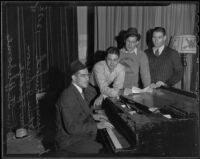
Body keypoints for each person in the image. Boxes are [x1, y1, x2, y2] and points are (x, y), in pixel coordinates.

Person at [55, 60, 113, 154]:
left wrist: (94, 117)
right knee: (105, 151)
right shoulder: (67, 97)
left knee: (107, 144)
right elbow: (72, 128)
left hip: (79, 136)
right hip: (70, 141)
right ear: (73, 77)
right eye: (83, 76)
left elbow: (79, 114)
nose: (87, 79)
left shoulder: (78, 90)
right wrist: (97, 125)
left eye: (88, 75)